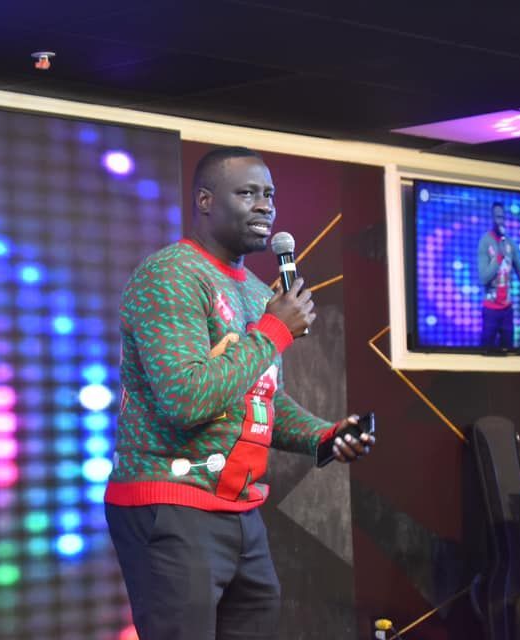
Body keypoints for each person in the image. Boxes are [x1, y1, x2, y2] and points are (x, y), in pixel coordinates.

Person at [104, 146, 374, 640]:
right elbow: (184, 397)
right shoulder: (172, 275)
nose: (265, 206)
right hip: (172, 504)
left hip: (240, 510)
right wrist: (273, 330)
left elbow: (259, 399)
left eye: (269, 195)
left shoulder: (253, 289)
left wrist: (326, 435)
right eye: (247, 193)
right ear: (205, 201)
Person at [477, 202, 520, 349]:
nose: (499, 221)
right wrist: (499, 257)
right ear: (491, 219)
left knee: (508, 351)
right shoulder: (485, 242)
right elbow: (483, 278)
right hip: (490, 310)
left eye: (502, 217)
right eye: (496, 217)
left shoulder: (511, 244)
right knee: (487, 351)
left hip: (507, 311)